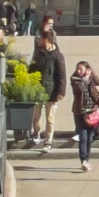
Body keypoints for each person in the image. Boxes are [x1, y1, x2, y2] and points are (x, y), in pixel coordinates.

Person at [70, 60, 99, 171]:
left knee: (90, 137)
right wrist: (86, 79)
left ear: (87, 70)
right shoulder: (75, 79)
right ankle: (84, 160)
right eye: (77, 69)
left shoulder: (93, 79)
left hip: (92, 112)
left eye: (81, 69)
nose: (78, 71)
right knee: (83, 136)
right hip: (80, 112)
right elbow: (80, 90)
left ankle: (87, 159)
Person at [29, 22, 68, 152]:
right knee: (36, 116)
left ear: (49, 40)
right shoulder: (39, 53)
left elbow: (61, 74)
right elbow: (32, 68)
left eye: (42, 39)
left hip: (51, 90)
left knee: (50, 118)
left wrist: (61, 91)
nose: (40, 41)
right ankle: (36, 133)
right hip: (38, 89)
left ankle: (48, 140)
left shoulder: (57, 55)